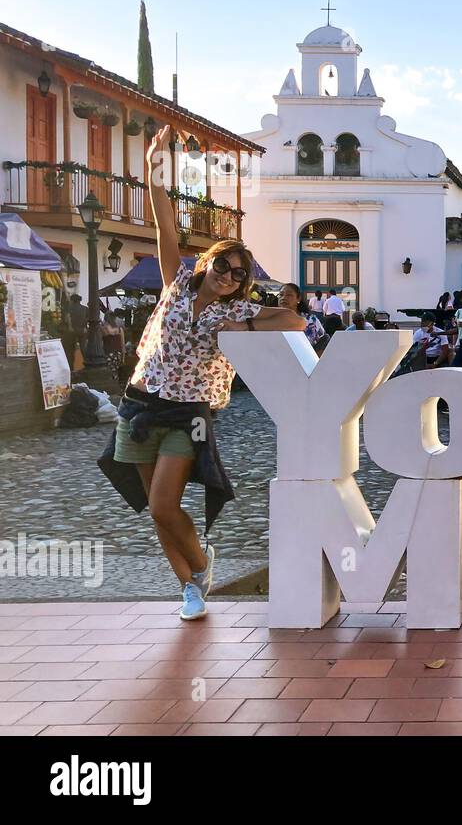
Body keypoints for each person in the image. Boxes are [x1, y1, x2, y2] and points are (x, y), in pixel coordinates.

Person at [98, 124, 306, 623]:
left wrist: (247, 318)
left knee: (166, 505)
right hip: (139, 403)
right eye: (224, 265)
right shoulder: (176, 287)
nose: (229, 275)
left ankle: (200, 565)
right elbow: (166, 227)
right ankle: (191, 584)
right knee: (155, 508)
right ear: (209, 261)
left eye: (238, 273)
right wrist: (153, 170)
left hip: (188, 415)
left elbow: (296, 318)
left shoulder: (228, 316)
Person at [278, 283, 326, 348]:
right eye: (281, 295)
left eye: (289, 295)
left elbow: (323, 343)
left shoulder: (310, 320)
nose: (283, 298)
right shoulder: (273, 319)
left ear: (298, 298)